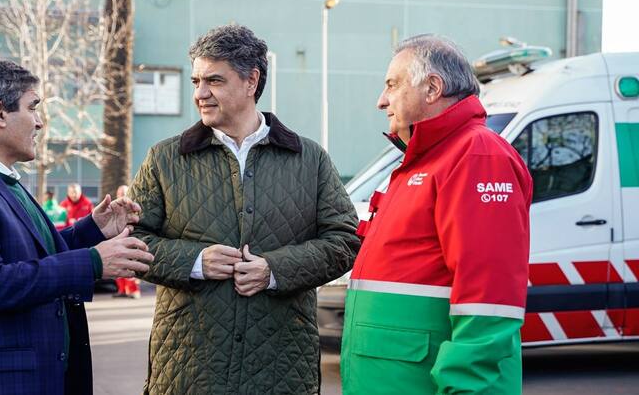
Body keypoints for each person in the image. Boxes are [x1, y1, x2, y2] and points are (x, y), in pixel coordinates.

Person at [130, 24, 360, 394]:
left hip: (281, 367)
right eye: (195, 82)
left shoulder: (310, 159)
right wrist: (194, 261)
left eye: (214, 81)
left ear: (251, 81)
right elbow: (132, 243)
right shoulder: (164, 159)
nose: (200, 94)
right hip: (188, 367)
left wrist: (274, 270)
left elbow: (346, 241)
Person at [0, 58, 154, 395]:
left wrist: (94, 230)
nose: (40, 123)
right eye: (33, 107)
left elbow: (32, 253)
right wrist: (92, 262)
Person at [340, 35, 532, 394]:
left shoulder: (477, 157)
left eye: (392, 86)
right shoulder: (426, 160)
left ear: (432, 88)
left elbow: (488, 299)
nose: (381, 100)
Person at [113, 185, 140, 299]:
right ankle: (122, 290)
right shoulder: (113, 207)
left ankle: (134, 291)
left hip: (130, 239)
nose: (122, 195)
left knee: (131, 266)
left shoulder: (134, 207)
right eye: (120, 193)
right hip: (117, 239)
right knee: (119, 266)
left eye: (124, 193)